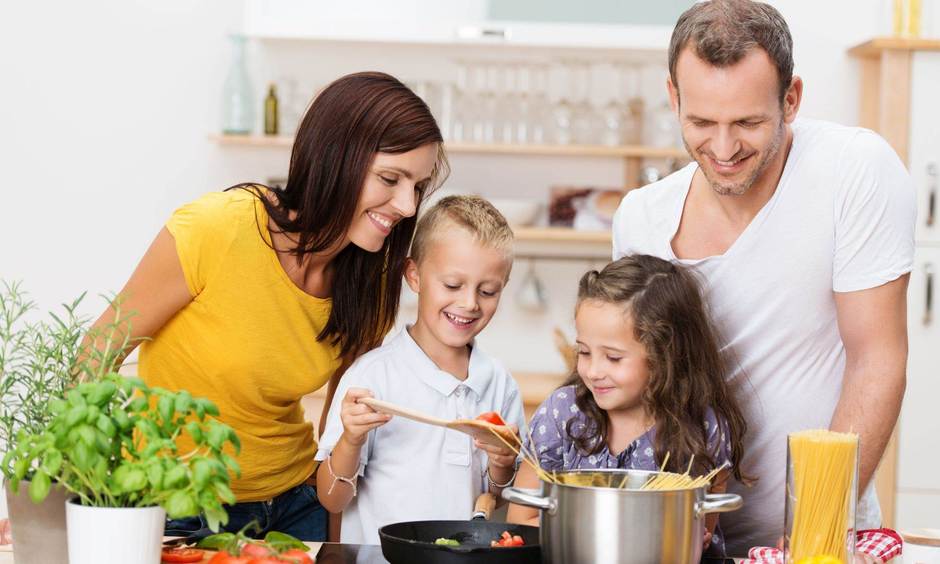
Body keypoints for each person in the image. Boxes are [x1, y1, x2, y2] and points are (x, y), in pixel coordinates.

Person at [76, 71, 449, 540]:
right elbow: (97, 350)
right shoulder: (217, 228)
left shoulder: (367, 277)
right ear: (336, 159)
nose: (408, 206)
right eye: (391, 179)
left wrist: (331, 532)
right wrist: (81, 493)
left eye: (418, 186)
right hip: (179, 510)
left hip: (296, 505)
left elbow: (340, 419)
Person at [611, 0, 915, 553]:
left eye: (748, 122)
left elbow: (878, 360)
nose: (723, 149)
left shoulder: (854, 170)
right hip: (682, 541)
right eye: (701, 122)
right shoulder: (640, 217)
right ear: (674, 97)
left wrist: (809, 535)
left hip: (821, 535)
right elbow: (639, 390)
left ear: (791, 98)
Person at [315, 195, 526, 545]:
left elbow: (497, 499)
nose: (470, 303)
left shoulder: (499, 383)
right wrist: (352, 439)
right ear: (414, 275)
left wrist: (502, 465)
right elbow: (332, 499)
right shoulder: (372, 377)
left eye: (488, 291)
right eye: (453, 285)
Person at [507, 255, 749, 557]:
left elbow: (701, 533)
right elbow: (521, 520)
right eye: (584, 352)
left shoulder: (703, 427)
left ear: (665, 355)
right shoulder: (563, 412)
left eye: (613, 357)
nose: (593, 370)